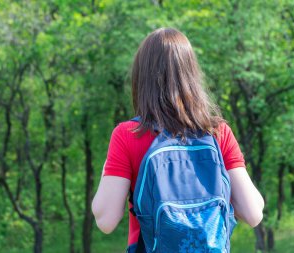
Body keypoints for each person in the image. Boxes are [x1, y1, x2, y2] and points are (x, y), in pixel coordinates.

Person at [92, 27, 264, 251]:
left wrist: (109, 167)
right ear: (191, 74)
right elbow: (253, 213)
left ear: (141, 78)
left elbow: (105, 220)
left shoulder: (129, 135)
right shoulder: (217, 132)